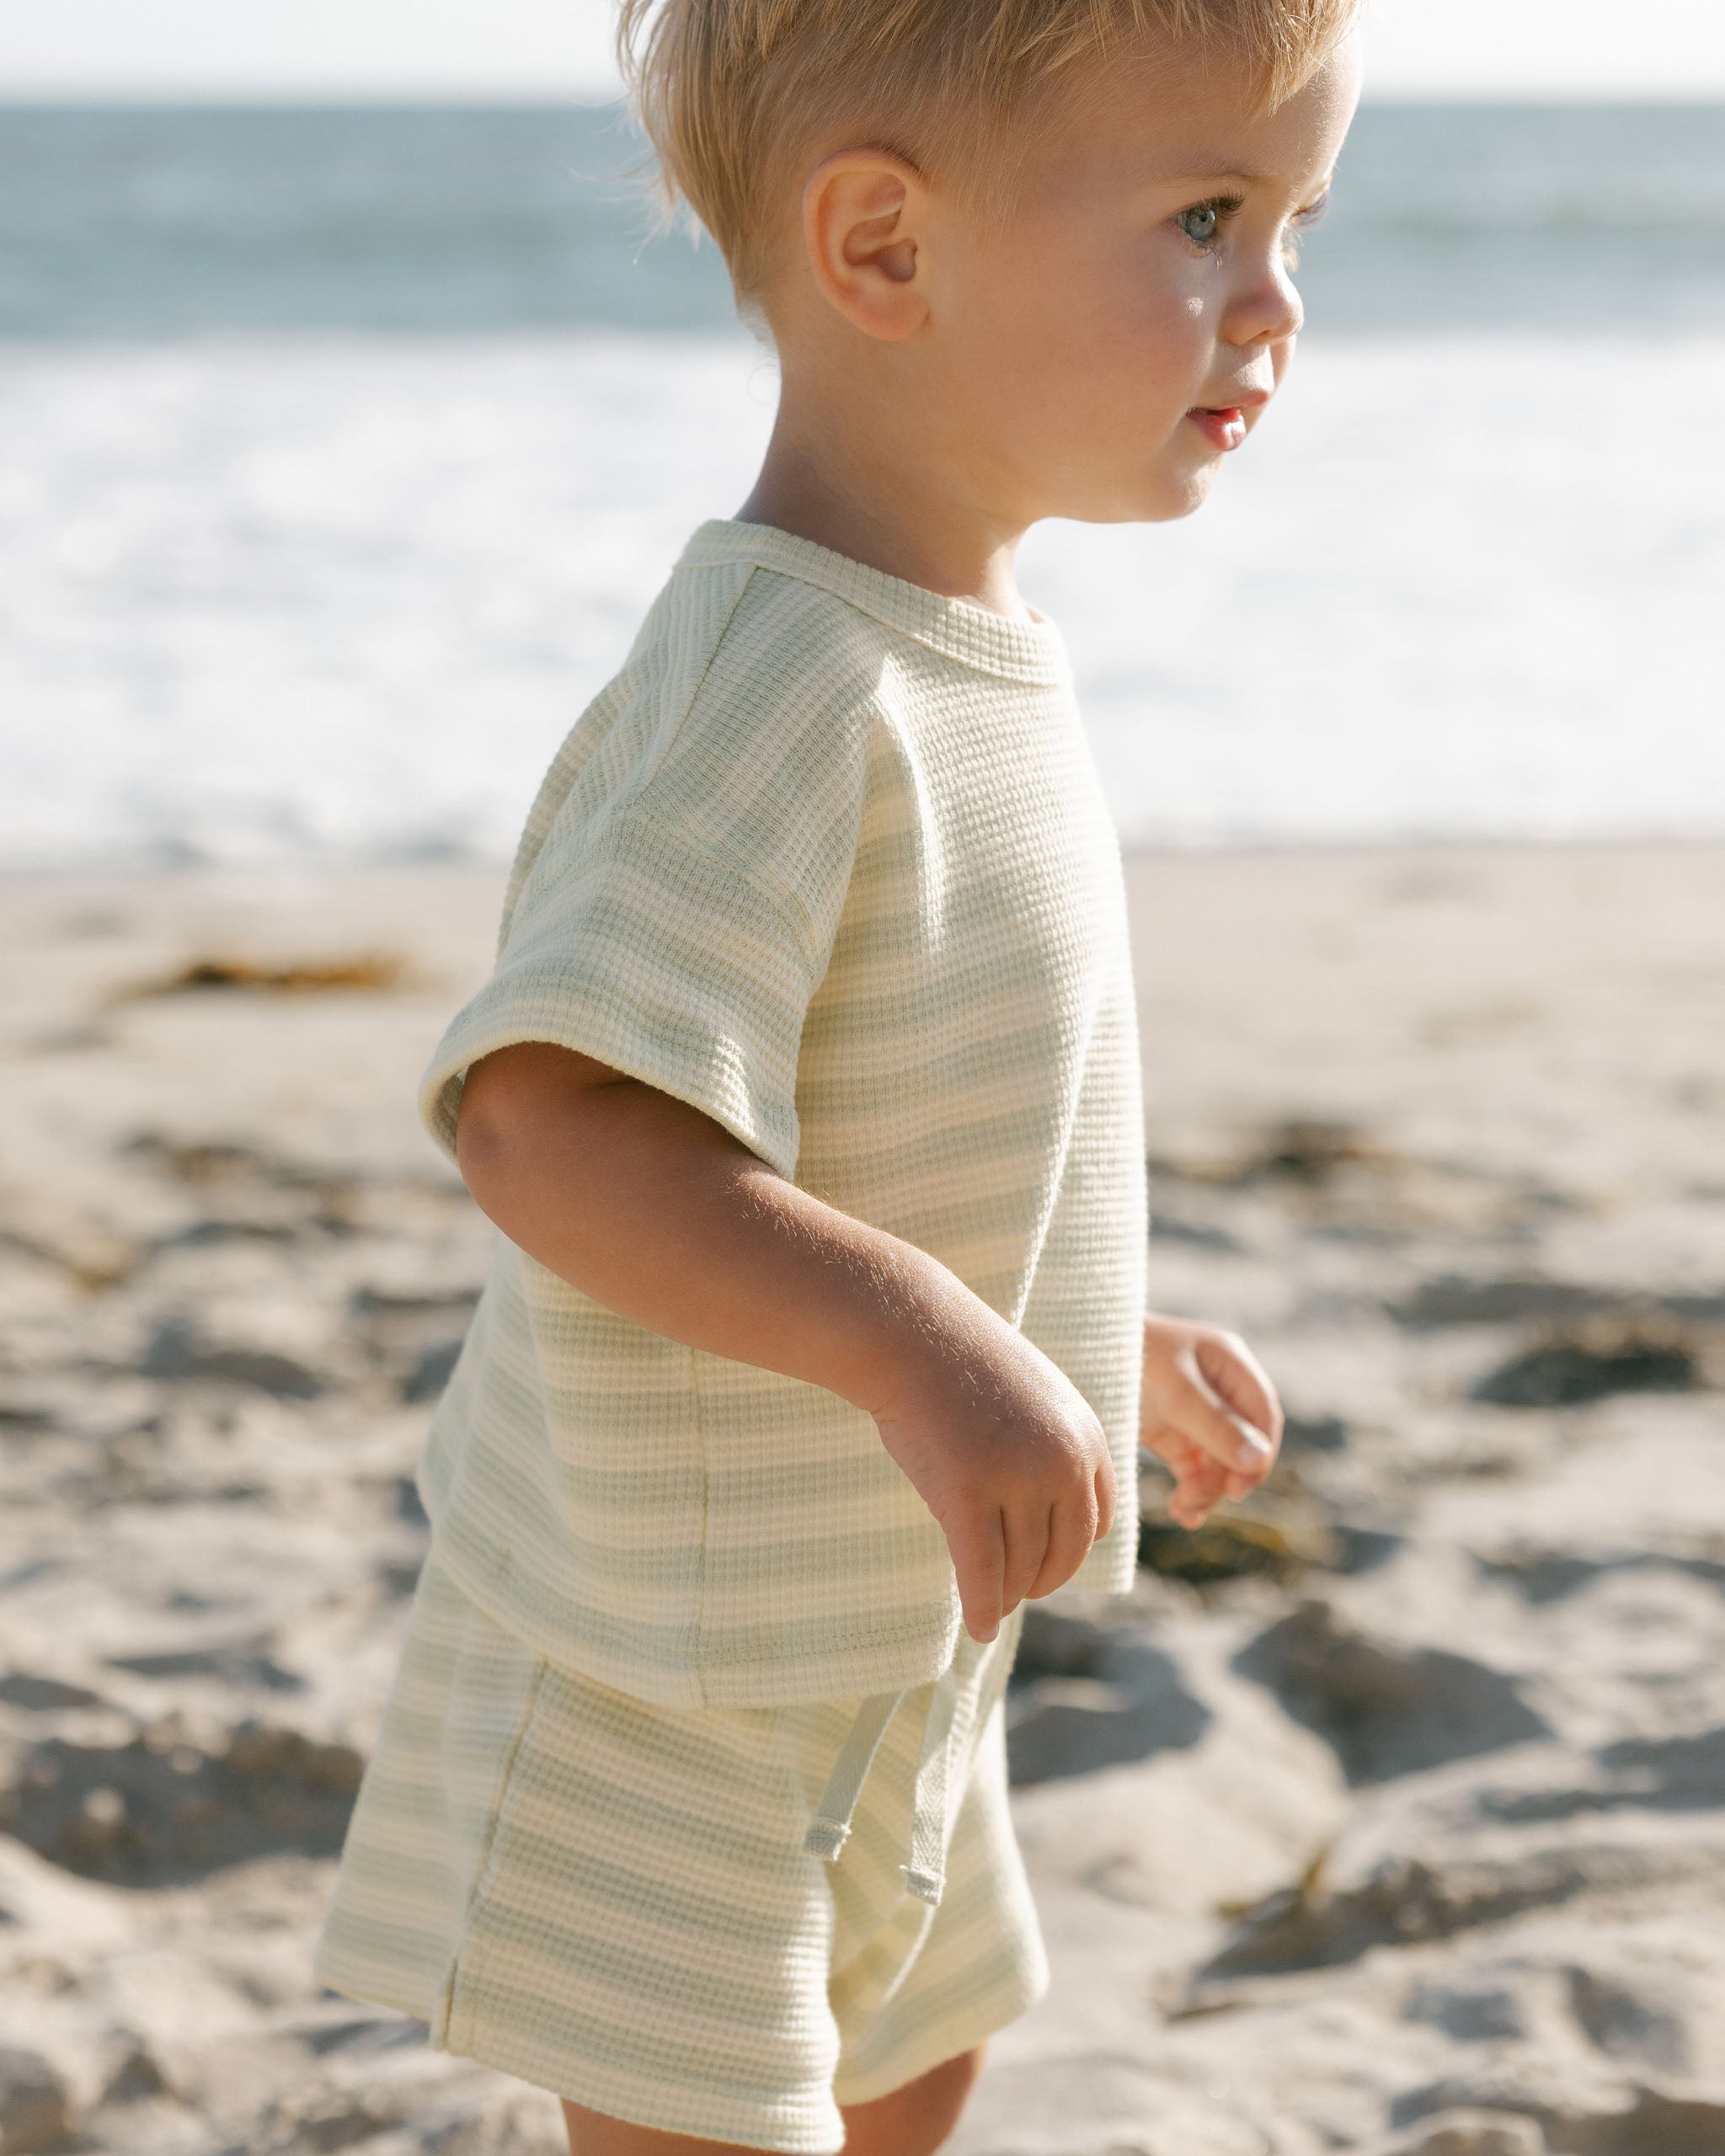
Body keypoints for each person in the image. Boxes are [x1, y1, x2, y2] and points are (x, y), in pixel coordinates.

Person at [312, 1, 1362, 2148]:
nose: (1271, 300)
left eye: (1294, 224)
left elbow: (883, 1109)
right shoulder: (782, 677)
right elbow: (553, 1118)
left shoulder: (951, 650)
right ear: (882, 248)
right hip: (682, 1648)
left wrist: (1078, 1334)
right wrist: (929, 1354)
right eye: (1203, 214)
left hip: (873, 1616)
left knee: (924, 2044)